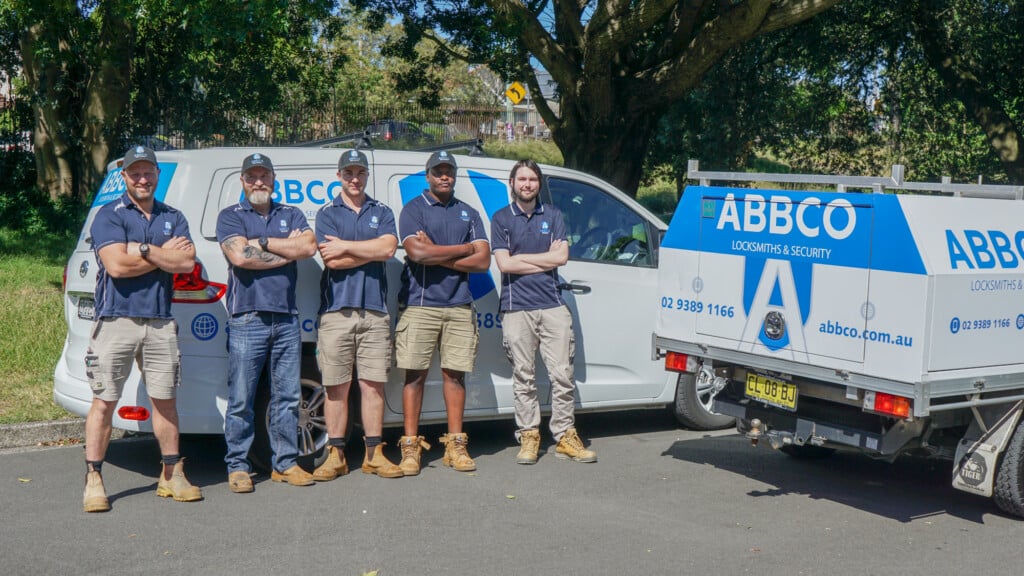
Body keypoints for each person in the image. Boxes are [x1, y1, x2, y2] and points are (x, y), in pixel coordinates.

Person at [83, 145, 202, 512]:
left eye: (148, 171)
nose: (142, 178)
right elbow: (116, 266)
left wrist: (144, 250)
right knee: (105, 401)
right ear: (125, 177)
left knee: (165, 401)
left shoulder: (173, 216)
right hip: (116, 318)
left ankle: (171, 475)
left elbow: (184, 261)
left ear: (156, 175)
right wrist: (160, 255)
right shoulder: (109, 214)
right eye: (135, 172)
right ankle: (94, 479)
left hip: (160, 321)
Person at [216, 152, 318, 492]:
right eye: (251, 176)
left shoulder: (291, 213)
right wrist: (285, 251)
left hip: (287, 318)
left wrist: (261, 244)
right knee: (242, 398)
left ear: (273, 179)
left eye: (264, 176)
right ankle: (238, 466)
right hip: (248, 318)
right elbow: (239, 257)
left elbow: (308, 247)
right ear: (242, 181)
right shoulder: (231, 216)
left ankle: (285, 463)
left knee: (288, 397)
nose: (258, 182)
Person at [490, 159, 597, 465]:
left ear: (538, 183)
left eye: (532, 179)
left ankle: (564, 435)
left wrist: (524, 258)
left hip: (552, 305)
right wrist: (543, 258)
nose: (527, 184)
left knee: (562, 375)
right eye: (521, 179)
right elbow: (505, 264)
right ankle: (529, 436)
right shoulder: (501, 218)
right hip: (516, 307)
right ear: (512, 183)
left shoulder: (552, 214)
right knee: (523, 377)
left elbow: (561, 257)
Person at [395, 150, 490, 475]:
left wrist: (437, 253)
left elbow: (483, 261)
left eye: (449, 171)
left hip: (459, 305)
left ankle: (455, 445)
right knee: (414, 376)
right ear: (429, 175)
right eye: (438, 171)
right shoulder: (414, 209)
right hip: (420, 306)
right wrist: (463, 248)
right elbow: (416, 252)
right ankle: (410, 447)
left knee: (455, 375)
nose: (444, 176)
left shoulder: (468, 213)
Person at [311, 149, 403, 481]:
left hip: (375, 312)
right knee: (336, 386)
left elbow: (389, 249)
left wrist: (347, 246)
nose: (354, 178)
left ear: (366, 176)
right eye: (348, 173)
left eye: (360, 173)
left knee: (373, 385)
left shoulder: (382, 211)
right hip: (336, 311)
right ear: (339, 176)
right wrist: (371, 249)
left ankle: (374, 454)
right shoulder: (327, 213)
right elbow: (331, 261)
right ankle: (335, 455)